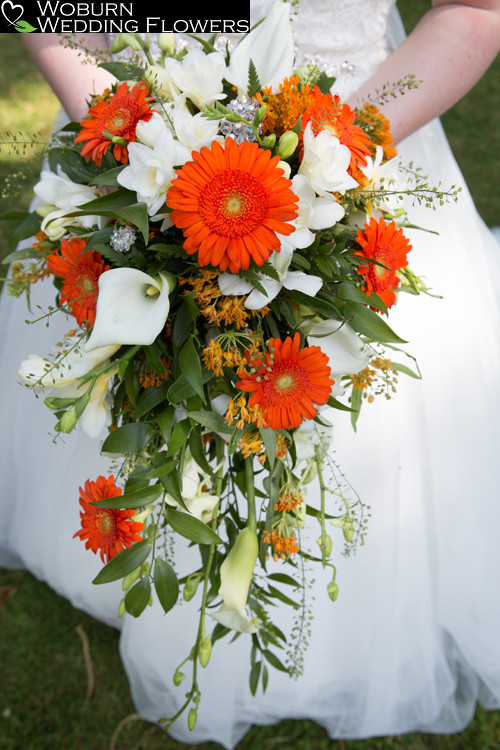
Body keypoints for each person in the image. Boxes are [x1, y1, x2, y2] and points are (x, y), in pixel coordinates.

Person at [1, 1, 500, 747]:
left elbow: (475, 9)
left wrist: (322, 170)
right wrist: (128, 133)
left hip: (355, 143)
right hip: (138, 140)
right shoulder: (131, 136)